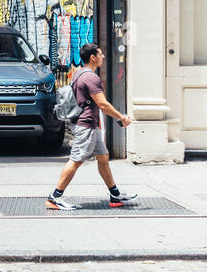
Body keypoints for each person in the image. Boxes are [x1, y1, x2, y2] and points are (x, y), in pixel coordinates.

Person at [46, 41, 138, 210]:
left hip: (88, 125)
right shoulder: (91, 77)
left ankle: (115, 195)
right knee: (76, 160)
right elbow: (102, 104)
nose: (103, 56)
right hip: (85, 125)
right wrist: (121, 118)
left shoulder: (79, 73)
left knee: (103, 157)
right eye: (100, 54)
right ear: (93, 57)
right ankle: (54, 198)